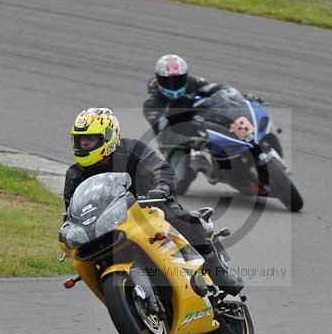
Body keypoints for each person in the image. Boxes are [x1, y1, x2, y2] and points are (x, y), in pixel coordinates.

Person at [61, 107, 244, 296]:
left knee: (183, 219)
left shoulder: (131, 149)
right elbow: (71, 211)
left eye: (89, 140)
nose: (83, 145)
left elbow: (159, 167)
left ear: (108, 137)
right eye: (80, 140)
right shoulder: (74, 174)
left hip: (151, 205)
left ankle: (219, 273)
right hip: (109, 222)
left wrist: (162, 187)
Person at [142, 54, 262, 191]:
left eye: (178, 79)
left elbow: (215, 90)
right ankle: (211, 170)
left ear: (185, 76)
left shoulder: (192, 82)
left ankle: (237, 158)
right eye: (167, 81)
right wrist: (192, 137)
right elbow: (165, 129)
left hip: (202, 125)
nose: (173, 85)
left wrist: (237, 97)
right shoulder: (152, 104)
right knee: (178, 185)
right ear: (158, 79)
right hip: (174, 143)